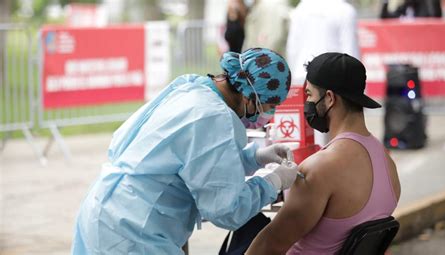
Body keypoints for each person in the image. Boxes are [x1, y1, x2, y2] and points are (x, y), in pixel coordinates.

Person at [71, 48, 298, 255]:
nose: (265, 116)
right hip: (131, 231)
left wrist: (253, 158)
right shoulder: (214, 117)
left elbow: (194, 159)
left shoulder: (193, 87)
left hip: (106, 209)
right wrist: (273, 182)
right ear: (250, 96)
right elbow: (227, 210)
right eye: (267, 108)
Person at [246, 52, 401, 254]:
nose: (306, 104)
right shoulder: (386, 161)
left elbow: (268, 246)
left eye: (309, 95)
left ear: (329, 98)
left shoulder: (319, 169)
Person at [285, 0, 360, 146]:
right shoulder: (345, 10)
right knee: (334, 137)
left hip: (302, 77)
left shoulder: (302, 7)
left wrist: (294, 80)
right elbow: (350, 52)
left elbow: (292, 47)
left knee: (303, 137)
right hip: (333, 79)